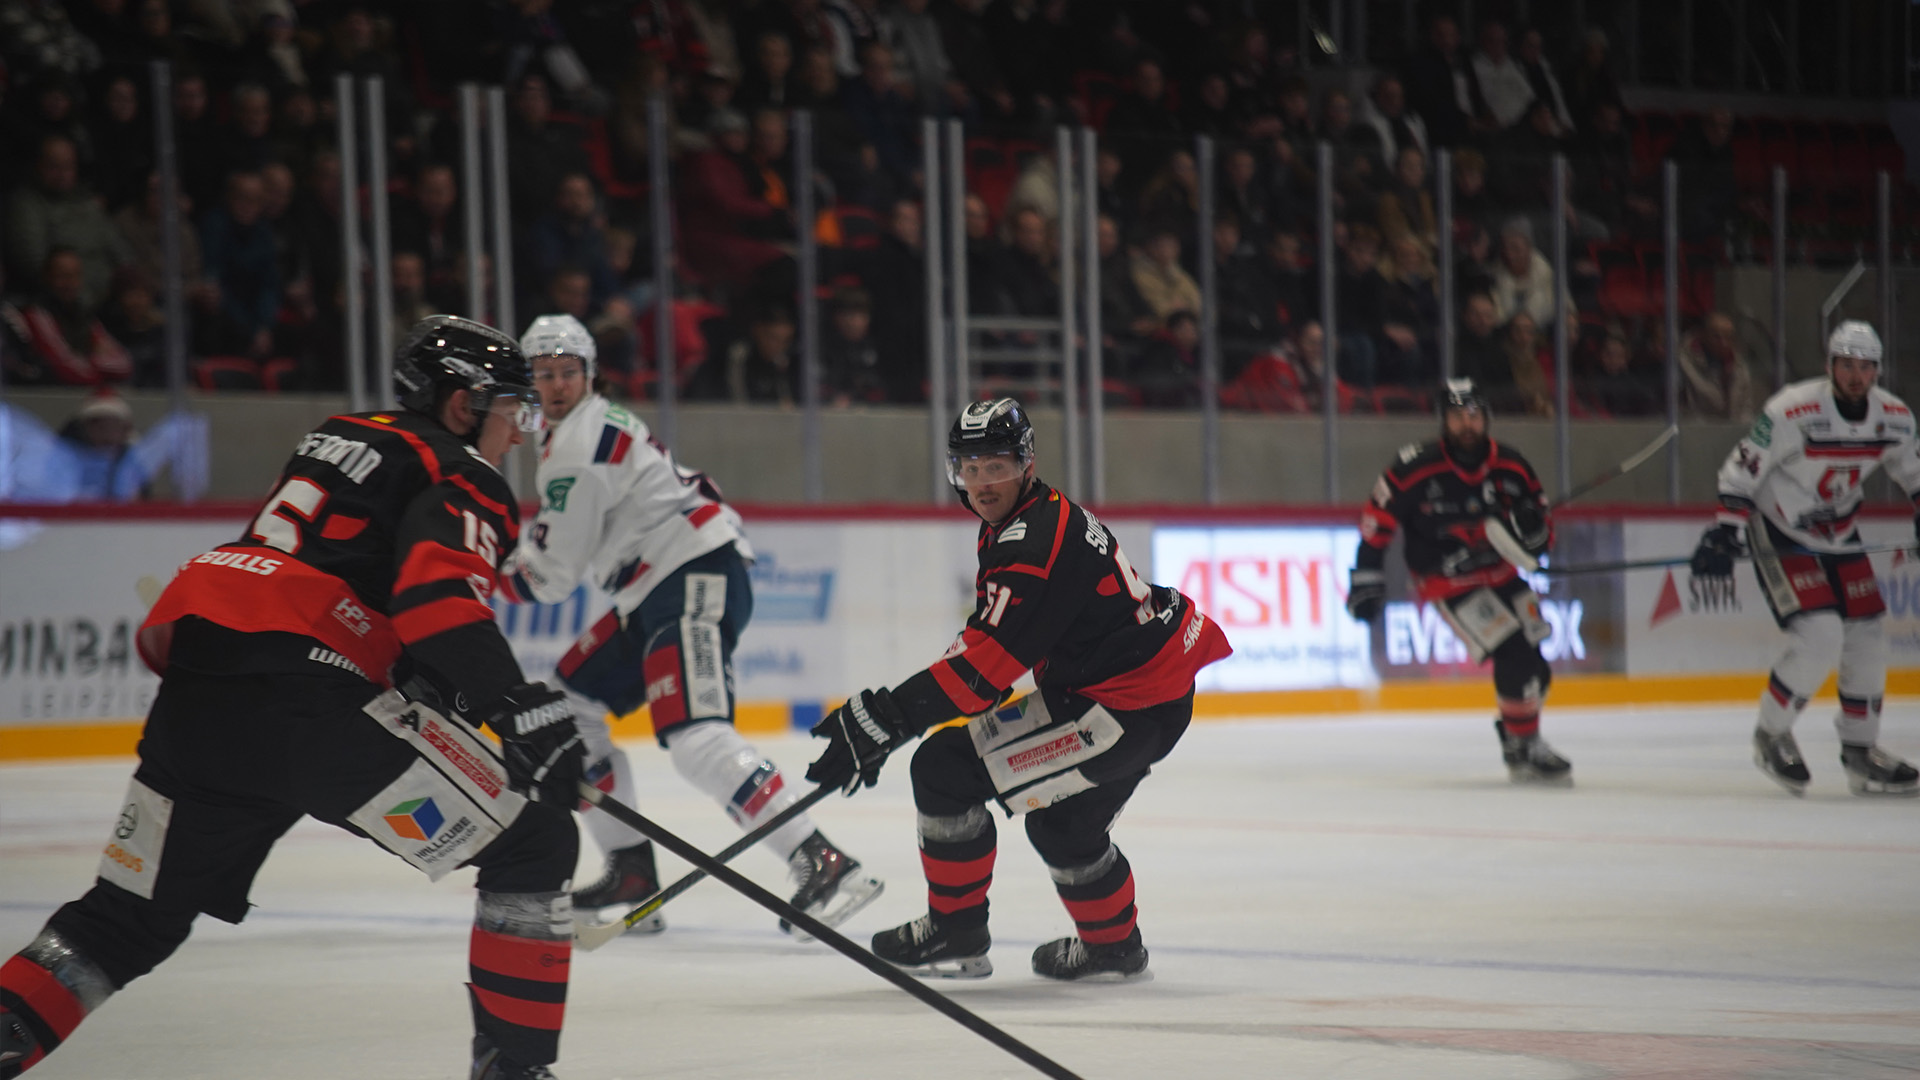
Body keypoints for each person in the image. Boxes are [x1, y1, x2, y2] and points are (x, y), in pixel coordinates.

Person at [0, 315, 585, 1080]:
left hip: (201, 696)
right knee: (536, 841)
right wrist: (517, 706)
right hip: (309, 700)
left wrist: (455, 697)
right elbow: (438, 600)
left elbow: (357, 582)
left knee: (126, 921)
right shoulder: (464, 469)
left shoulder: (338, 436)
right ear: (462, 404)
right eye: (511, 411)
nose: (516, 434)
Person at [805, 398, 1231, 982]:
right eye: (970, 469)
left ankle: (956, 930)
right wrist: (894, 717)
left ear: (1026, 464)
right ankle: (1114, 948)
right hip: (1146, 695)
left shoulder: (1032, 542)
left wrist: (887, 718)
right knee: (1065, 826)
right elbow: (992, 654)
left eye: (996, 467)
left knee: (943, 770)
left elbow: (983, 671)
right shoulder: (1031, 517)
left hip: (1118, 708)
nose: (982, 483)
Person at [497, 314, 883, 933]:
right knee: (571, 706)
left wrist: (483, 565)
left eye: (568, 371)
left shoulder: (574, 448)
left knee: (696, 737)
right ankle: (630, 869)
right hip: (657, 588)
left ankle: (820, 859)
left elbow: (551, 577)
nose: (558, 384)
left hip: (690, 576)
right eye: (544, 374)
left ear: (589, 374)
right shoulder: (585, 430)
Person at [1690, 321, 1920, 797]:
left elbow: (1914, 470)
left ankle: (1861, 751)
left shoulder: (1894, 417)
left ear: (1877, 371)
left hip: (1841, 533)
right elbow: (1743, 467)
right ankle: (1771, 734)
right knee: (1820, 633)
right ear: (1829, 365)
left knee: (1867, 635)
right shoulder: (1793, 409)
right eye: (1846, 365)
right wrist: (1726, 530)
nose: (1856, 376)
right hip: (1782, 532)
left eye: (1865, 367)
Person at [1346, 378, 1571, 784]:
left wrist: (1533, 533)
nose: (1466, 424)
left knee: (1536, 669)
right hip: (1448, 583)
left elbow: (1543, 535)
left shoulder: (1512, 466)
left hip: (1502, 574)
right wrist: (1366, 577)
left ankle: (1514, 734)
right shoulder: (1414, 467)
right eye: (1456, 416)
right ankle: (1525, 744)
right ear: (1442, 420)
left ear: (1486, 417)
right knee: (1515, 654)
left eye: (1473, 415)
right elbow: (1376, 521)